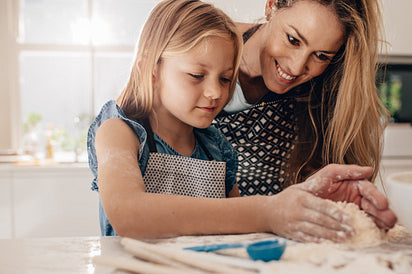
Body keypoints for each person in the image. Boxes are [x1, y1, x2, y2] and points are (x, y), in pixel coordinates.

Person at [87, 0, 396, 241]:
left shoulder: (216, 146)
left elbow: (238, 230)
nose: (214, 94)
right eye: (292, 39)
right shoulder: (122, 130)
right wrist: (268, 211)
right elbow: (128, 214)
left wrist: (315, 203)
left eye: (225, 79)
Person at [215, 0, 390, 201]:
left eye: (321, 55)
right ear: (271, 6)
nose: (297, 68)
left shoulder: (322, 97)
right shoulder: (198, 44)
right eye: (293, 40)